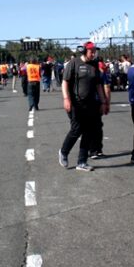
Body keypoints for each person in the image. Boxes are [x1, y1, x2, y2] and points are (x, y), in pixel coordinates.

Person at [59, 42, 107, 172]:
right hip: (76, 103)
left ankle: (82, 161)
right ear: (85, 51)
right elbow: (65, 82)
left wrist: (103, 102)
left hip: (91, 104)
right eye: (91, 51)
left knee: (88, 132)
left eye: (95, 51)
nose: (94, 53)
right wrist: (66, 98)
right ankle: (63, 152)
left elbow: (98, 85)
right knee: (76, 129)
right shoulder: (73, 63)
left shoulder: (94, 64)